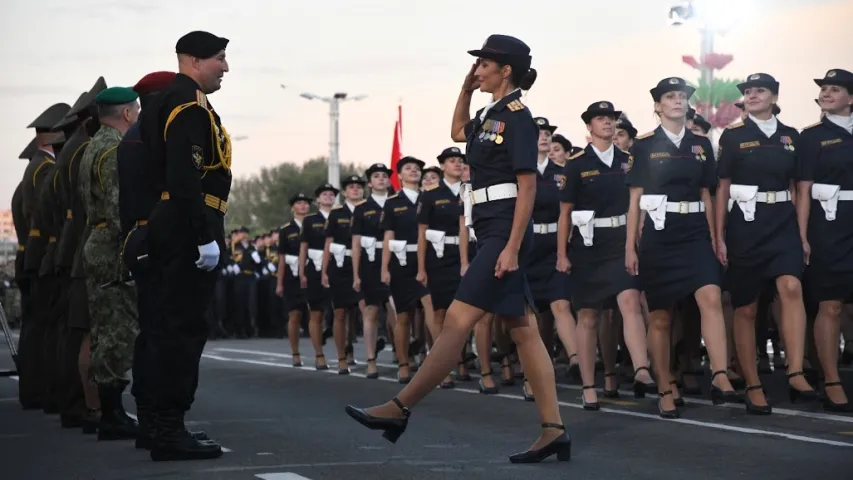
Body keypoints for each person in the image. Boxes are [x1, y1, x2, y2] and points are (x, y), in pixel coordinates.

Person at [346, 34, 570, 464]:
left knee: (457, 318)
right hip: (490, 226)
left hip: (504, 230)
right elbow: (456, 132)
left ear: (506, 71)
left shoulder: (520, 118)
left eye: (484, 64)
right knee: (524, 330)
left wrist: (511, 246)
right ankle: (554, 429)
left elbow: (527, 187)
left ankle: (399, 408)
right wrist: (465, 90)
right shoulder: (490, 113)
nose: (477, 70)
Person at [141, 30, 231, 460]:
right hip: (187, 224)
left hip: (172, 222)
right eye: (219, 58)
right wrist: (204, 236)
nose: (225, 67)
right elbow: (185, 178)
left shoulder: (168, 100)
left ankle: (160, 426)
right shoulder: (188, 105)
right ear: (193, 60)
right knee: (181, 330)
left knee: (166, 327)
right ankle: (169, 429)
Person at [625, 77, 736, 419]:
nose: (677, 101)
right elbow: (635, 200)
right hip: (659, 235)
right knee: (660, 318)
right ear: (657, 106)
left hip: (694, 233)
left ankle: (720, 374)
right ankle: (664, 387)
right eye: (669, 97)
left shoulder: (701, 145)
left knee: (711, 295)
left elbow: (708, 193)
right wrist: (630, 247)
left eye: (682, 97)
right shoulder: (643, 146)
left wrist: (717, 238)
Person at [714, 73, 816, 414]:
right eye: (748, 91)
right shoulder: (733, 137)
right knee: (746, 307)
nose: (752, 95)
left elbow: (801, 188)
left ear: (774, 97)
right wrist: (720, 235)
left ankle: (796, 370)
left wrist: (801, 235)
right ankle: (753, 383)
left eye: (760, 90)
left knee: (791, 287)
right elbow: (722, 188)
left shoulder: (792, 137)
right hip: (746, 225)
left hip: (783, 222)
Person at [557, 101, 654, 410]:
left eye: (611, 118)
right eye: (601, 119)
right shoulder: (576, 164)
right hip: (587, 245)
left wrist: (634, 244)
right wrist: (562, 253)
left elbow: (637, 205)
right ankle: (588, 385)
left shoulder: (629, 160)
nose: (608, 123)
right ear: (589, 126)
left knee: (629, 300)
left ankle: (641, 368)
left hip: (621, 241)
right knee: (587, 315)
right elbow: (565, 213)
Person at [79, 86, 141, 440]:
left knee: (105, 329)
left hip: (97, 241)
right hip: (113, 246)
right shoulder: (114, 149)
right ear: (128, 114)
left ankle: (110, 410)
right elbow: (121, 208)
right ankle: (113, 413)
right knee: (118, 330)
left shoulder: (92, 147)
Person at [799, 68, 853, 412]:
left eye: (835, 89)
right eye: (824, 89)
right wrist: (802, 236)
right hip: (829, 223)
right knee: (829, 302)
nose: (827, 93)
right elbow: (802, 190)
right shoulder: (813, 136)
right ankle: (831, 379)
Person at [18, 102, 71, 410]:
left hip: (36, 255)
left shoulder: (37, 166)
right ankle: (41, 390)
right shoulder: (44, 168)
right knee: (46, 327)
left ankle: (37, 389)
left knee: (39, 327)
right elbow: (46, 218)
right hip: (44, 256)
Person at [417, 148, 465, 389]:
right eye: (451, 161)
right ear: (443, 166)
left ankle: (462, 357)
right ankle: (442, 367)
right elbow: (422, 233)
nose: (457, 164)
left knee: (465, 312)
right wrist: (421, 268)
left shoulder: (470, 190)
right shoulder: (431, 195)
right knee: (439, 312)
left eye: (460, 160)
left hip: (468, 255)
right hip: (439, 257)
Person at [351, 164, 395, 379]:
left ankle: (404, 355)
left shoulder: (397, 203)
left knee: (398, 311)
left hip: (397, 259)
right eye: (376, 176)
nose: (381, 179)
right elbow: (356, 244)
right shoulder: (362, 208)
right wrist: (356, 275)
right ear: (369, 183)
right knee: (371, 311)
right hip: (370, 262)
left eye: (384, 176)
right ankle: (370, 360)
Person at [323, 175, 367, 374]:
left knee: (366, 309)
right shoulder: (336, 213)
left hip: (366, 262)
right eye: (351, 187)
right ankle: (342, 357)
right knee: (340, 312)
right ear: (345, 192)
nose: (355, 190)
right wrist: (324, 270)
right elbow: (328, 244)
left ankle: (368, 354)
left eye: (359, 187)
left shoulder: (369, 209)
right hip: (341, 265)